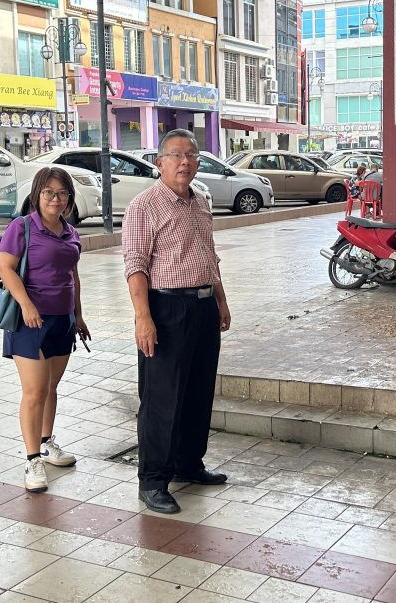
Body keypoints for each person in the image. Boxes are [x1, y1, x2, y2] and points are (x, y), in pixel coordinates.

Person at [123, 129, 231, 514]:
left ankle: (189, 464)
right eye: (175, 155)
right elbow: (135, 265)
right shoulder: (144, 206)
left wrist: (220, 300)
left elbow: (210, 255)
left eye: (191, 155)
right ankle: (153, 480)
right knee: (160, 398)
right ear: (160, 162)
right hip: (165, 309)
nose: (184, 161)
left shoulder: (200, 201)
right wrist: (143, 318)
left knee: (198, 392)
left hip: (202, 306)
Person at [0, 167, 90, 493]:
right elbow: (6, 269)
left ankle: (48, 443)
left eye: (62, 193)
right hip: (30, 320)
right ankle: (32, 458)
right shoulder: (21, 227)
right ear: (37, 194)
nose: (56, 198)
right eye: (49, 192)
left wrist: (78, 315)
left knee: (51, 387)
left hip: (62, 319)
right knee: (35, 391)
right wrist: (26, 304)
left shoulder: (70, 232)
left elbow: (73, 277)